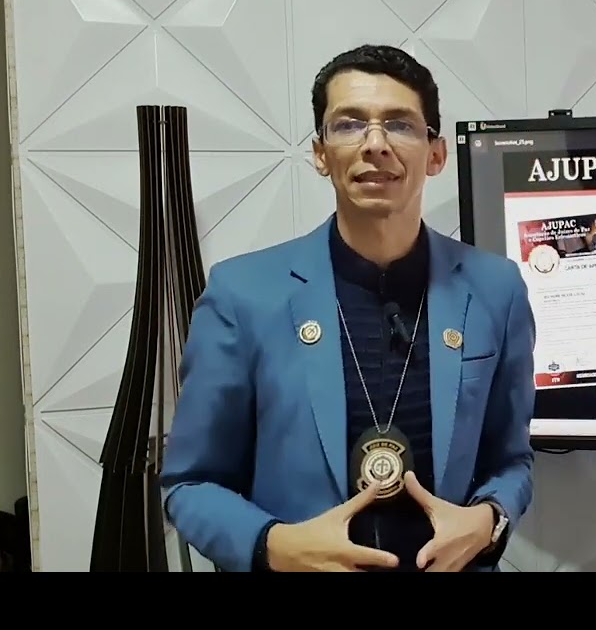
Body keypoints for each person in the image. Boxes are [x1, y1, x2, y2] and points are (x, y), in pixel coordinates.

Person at [160, 44, 536, 573]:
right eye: (349, 124)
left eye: (399, 125)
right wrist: (273, 546)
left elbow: (512, 461)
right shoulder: (242, 294)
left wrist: (490, 519)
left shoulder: (496, 289)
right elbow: (190, 484)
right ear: (321, 153)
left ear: (436, 154)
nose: (375, 143)